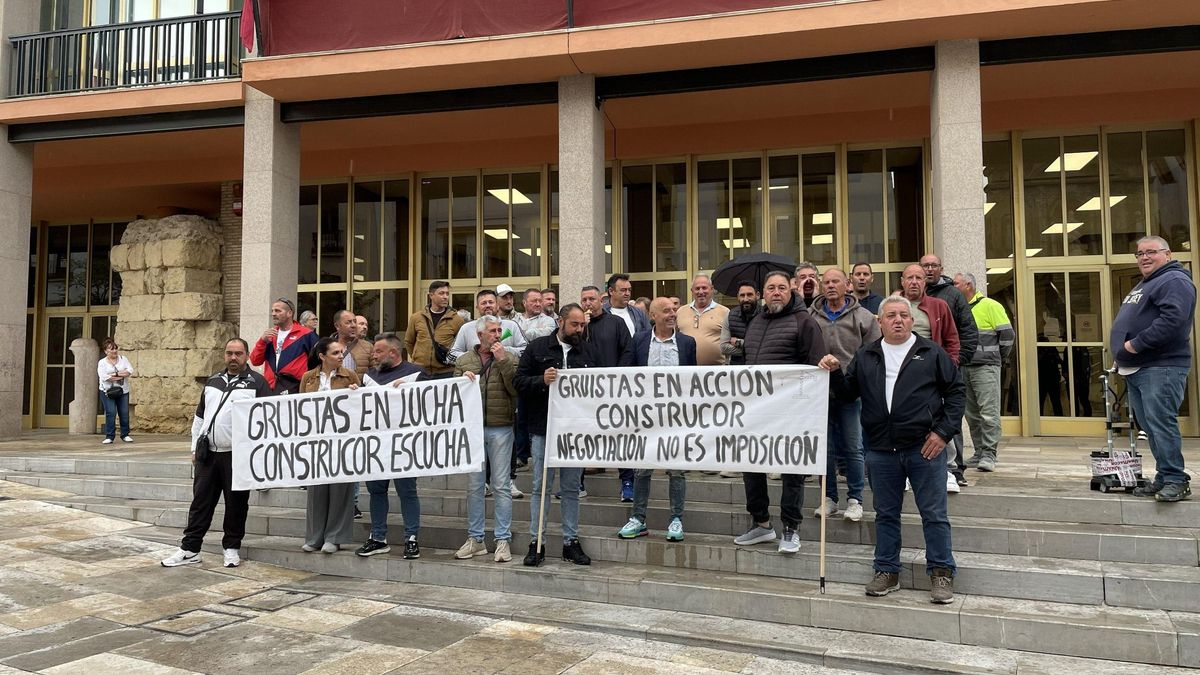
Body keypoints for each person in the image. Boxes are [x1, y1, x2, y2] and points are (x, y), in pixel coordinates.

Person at [820, 296, 965, 604]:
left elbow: (956, 394)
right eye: (891, 316)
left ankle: (941, 572)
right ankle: (887, 570)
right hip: (881, 450)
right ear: (879, 321)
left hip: (924, 449)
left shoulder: (931, 353)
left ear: (912, 321)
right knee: (885, 514)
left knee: (934, 515)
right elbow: (847, 395)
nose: (898, 320)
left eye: (904, 315)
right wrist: (833, 371)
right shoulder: (867, 354)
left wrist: (942, 433)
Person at [735, 271, 826, 554]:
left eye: (782, 288)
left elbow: (815, 368)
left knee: (792, 470)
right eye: (771, 288)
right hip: (756, 411)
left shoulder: (804, 322)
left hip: (791, 413)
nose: (776, 292)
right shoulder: (756, 323)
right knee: (750, 464)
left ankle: (790, 528)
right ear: (764, 293)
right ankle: (761, 523)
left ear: (792, 291)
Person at [161, 338, 272, 568]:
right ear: (224, 355)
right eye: (229, 353)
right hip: (208, 454)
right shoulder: (213, 381)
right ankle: (190, 549)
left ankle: (231, 548)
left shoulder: (257, 383)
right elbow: (200, 416)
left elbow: (265, 422)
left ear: (247, 355)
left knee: (236, 505)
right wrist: (194, 447)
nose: (233, 358)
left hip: (237, 456)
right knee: (200, 504)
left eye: (238, 353)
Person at [515, 303, 597, 567]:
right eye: (575, 324)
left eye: (582, 325)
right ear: (560, 321)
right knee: (541, 487)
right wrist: (542, 380)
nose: (579, 329)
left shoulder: (587, 350)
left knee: (571, 488)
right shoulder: (537, 348)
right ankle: (535, 541)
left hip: (574, 432)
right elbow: (519, 382)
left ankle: (570, 542)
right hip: (543, 430)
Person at [1115, 237, 1196, 503]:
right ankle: (1163, 477)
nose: (1144, 257)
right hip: (1139, 367)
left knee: (1161, 423)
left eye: (1151, 252)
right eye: (1139, 253)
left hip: (1161, 366)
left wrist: (1135, 345)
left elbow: (1173, 320)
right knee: (1150, 425)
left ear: (1168, 254)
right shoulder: (1149, 283)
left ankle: (1176, 479)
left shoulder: (1174, 281)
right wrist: (1121, 354)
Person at [618, 297, 697, 541]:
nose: (672, 313)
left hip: (677, 418)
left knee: (677, 471)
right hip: (645, 417)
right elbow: (625, 372)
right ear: (653, 316)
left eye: (674, 310)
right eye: (666, 311)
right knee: (642, 469)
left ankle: (676, 519)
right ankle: (638, 519)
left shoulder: (687, 343)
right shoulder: (640, 341)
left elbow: (694, 380)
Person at [808, 269, 880, 522]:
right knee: (824, 448)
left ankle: (855, 499)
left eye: (835, 281)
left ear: (846, 285)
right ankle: (828, 498)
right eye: (825, 282)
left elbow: (874, 353)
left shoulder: (864, 317)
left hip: (851, 391)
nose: (830, 286)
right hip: (818, 393)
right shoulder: (809, 316)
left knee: (853, 447)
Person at [454, 316, 519, 562]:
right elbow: (453, 395)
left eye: (500, 330)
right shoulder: (464, 361)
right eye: (493, 331)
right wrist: (463, 380)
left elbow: (515, 389)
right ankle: (476, 539)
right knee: (474, 486)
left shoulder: (510, 357)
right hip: (472, 429)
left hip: (501, 426)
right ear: (480, 335)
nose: (498, 334)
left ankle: (503, 539)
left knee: (501, 485)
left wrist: (502, 362)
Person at [355, 335, 426, 558]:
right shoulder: (368, 376)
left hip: (405, 445)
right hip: (376, 445)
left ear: (393, 353)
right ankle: (378, 537)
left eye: (378, 351)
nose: (373, 355)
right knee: (376, 490)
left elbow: (433, 402)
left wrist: (412, 390)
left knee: (407, 491)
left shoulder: (416, 373)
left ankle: (411, 538)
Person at [900, 264, 962, 493]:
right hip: (902, 372)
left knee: (942, 416)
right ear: (902, 281)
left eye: (919, 277)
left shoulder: (939, 306)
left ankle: (948, 469)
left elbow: (952, 340)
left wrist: (951, 365)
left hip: (934, 370)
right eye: (910, 278)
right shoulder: (894, 304)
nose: (914, 281)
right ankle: (906, 471)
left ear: (925, 282)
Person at [296, 338, 361, 553]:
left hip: (342, 441)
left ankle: (334, 537)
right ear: (322, 356)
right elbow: (299, 408)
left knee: (341, 489)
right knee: (317, 489)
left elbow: (361, 407)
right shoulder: (308, 378)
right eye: (335, 353)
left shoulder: (349, 376)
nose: (340, 356)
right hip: (316, 441)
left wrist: (354, 393)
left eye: (341, 352)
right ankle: (315, 536)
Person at [920, 254, 979, 483]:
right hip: (918, 371)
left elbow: (968, 330)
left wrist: (956, 362)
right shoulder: (910, 298)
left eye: (934, 266)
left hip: (946, 368)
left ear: (941, 269)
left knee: (951, 416)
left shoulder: (953, 295)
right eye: (925, 266)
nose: (929, 270)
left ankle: (956, 469)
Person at [954, 272, 1014, 472]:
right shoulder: (959, 308)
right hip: (964, 367)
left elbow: (1007, 336)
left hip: (985, 367)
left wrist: (998, 358)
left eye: (956, 283)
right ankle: (979, 452)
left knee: (988, 412)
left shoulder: (991, 306)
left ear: (968, 285)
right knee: (971, 414)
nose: (953, 287)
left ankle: (989, 454)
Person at [580, 284, 635, 499]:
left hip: (613, 390)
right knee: (583, 437)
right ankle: (578, 483)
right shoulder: (577, 325)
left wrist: (617, 378)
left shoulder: (616, 322)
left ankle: (627, 481)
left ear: (601, 300)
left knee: (620, 436)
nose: (588, 304)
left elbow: (628, 351)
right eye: (584, 300)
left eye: (591, 299)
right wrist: (581, 329)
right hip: (585, 393)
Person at [249, 297, 318, 394]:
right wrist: (262, 341)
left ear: (289, 313)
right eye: (272, 311)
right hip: (271, 388)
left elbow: (319, 362)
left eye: (277, 311)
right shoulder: (270, 335)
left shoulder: (306, 334)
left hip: (296, 388)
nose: (273, 314)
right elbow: (255, 361)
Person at [405, 280, 466, 379]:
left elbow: (462, 346)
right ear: (431, 295)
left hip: (446, 372)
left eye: (447, 293)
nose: (445, 297)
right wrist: (419, 358)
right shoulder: (416, 317)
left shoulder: (456, 319)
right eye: (441, 293)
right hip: (420, 371)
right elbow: (409, 342)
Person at [450, 289, 528, 362]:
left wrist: (505, 351)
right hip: (476, 375)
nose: (487, 305)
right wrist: (476, 358)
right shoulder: (466, 328)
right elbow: (451, 355)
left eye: (491, 302)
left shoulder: (512, 326)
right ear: (477, 307)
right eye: (483, 303)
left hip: (505, 374)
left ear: (497, 305)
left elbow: (526, 351)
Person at [677, 274, 729, 366]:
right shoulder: (680, 312)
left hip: (717, 370)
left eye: (704, 288)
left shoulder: (724, 312)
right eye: (697, 288)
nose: (701, 292)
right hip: (686, 370)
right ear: (692, 291)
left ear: (712, 289)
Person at [97, 338, 134, 444]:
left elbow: (130, 371)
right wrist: (121, 375)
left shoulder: (123, 359)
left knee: (124, 412)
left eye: (115, 349)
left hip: (123, 390)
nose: (114, 351)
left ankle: (125, 434)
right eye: (111, 349)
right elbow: (104, 377)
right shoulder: (102, 363)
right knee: (111, 412)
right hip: (107, 391)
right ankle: (109, 436)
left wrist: (115, 374)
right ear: (105, 351)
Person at [719, 280, 761, 366]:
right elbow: (724, 348)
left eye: (749, 295)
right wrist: (753, 350)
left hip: (760, 369)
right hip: (737, 370)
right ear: (738, 297)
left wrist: (739, 343)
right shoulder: (730, 316)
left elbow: (766, 348)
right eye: (742, 295)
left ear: (757, 295)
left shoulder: (766, 315)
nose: (746, 299)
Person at [331, 310, 371, 376]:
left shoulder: (368, 347)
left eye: (355, 322)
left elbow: (376, 372)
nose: (353, 325)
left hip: (359, 385)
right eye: (348, 322)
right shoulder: (325, 346)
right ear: (337, 326)